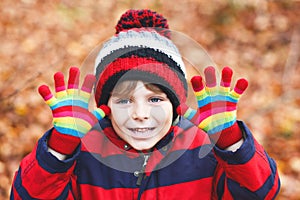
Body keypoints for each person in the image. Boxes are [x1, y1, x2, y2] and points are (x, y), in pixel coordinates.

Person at [10, 9, 280, 199]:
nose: (140, 114)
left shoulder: (203, 149)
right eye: (125, 100)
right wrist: (59, 148)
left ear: (176, 104)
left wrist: (229, 141)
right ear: (106, 105)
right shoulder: (84, 153)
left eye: (155, 99)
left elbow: (260, 192)